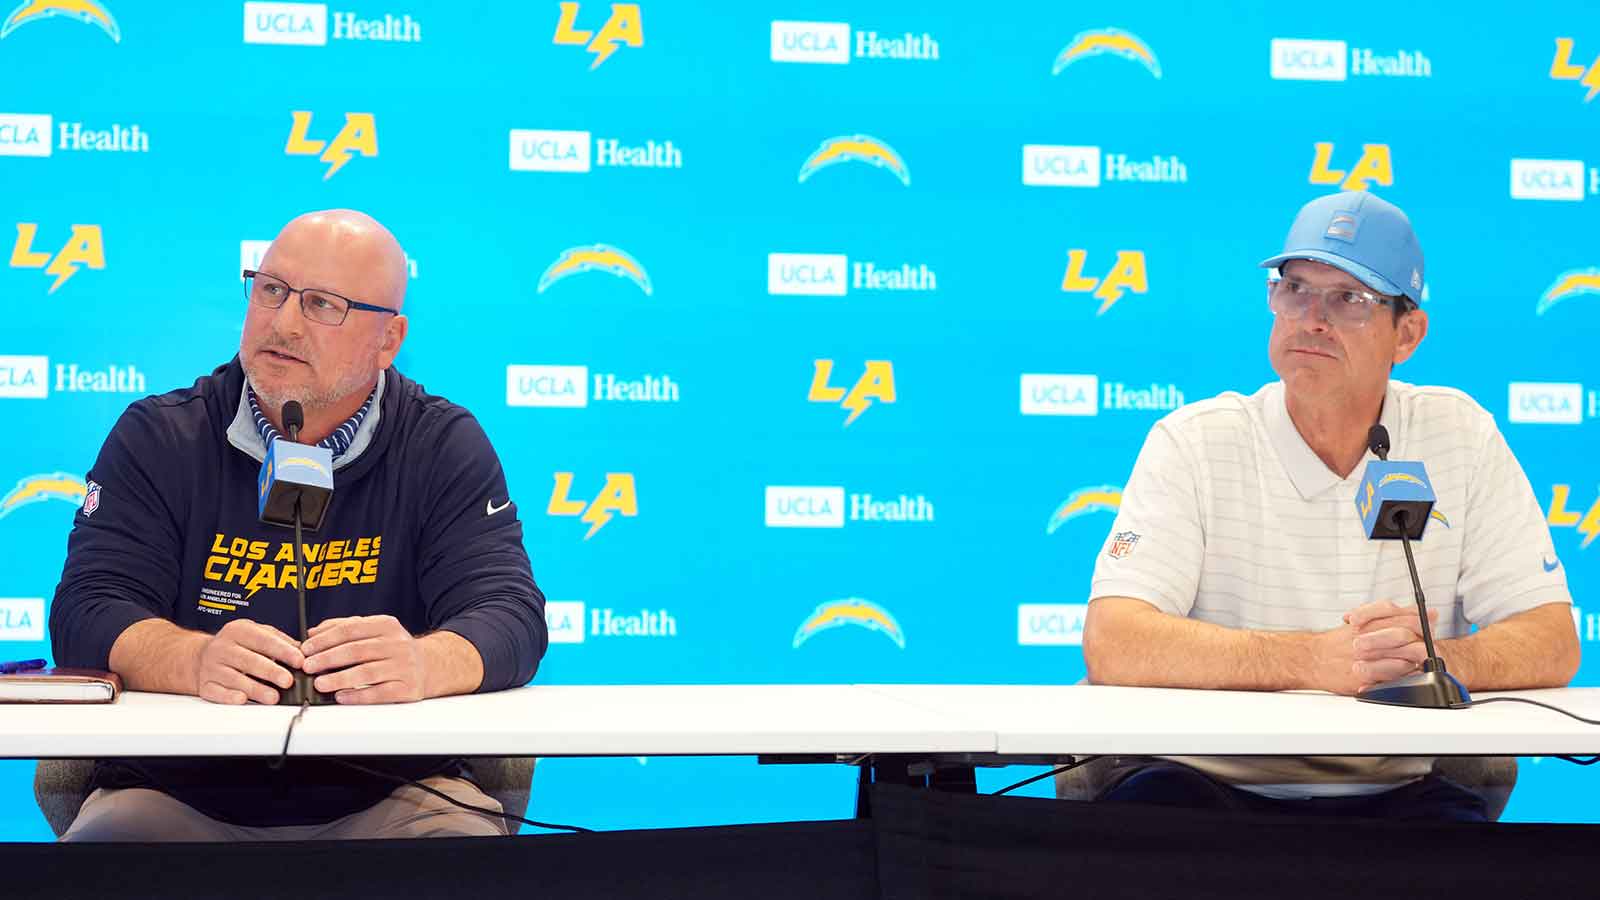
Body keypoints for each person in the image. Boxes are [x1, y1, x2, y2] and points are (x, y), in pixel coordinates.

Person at [1081, 191, 1579, 821]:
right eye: (1295, 290)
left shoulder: (1459, 434)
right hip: (1200, 786)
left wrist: (1424, 664)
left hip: (1399, 796)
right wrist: (1313, 660)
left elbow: (1552, 639)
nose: (1311, 318)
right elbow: (1115, 640)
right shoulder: (1197, 440)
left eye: (1349, 299)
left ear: (1408, 333)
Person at [49, 209, 547, 840]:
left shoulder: (440, 444)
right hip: (175, 796)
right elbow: (86, 610)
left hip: (395, 794)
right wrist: (194, 658)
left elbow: (511, 613)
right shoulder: (161, 436)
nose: (283, 323)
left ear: (388, 340)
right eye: (272, 290)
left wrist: (423, 663)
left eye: (322, 305)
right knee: (105, 851)